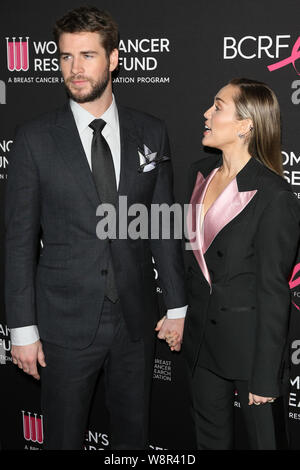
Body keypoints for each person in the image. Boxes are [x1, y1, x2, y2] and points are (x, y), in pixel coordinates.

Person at [5, 6, 187, 450]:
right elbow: (19, 241)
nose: (75, 69)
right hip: (63, 323)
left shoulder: (151, 131)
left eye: (87, 55)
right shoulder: (34, 139)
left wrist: (178, 306)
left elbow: (161, 221)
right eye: (66, 57)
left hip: (134, 321)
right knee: (63, 439)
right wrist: (22, 329)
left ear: (115, 58)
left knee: (133, 438)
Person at [162, 78, 300, 449]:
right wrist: (179, 315)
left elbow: (274, 292)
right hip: (202, 345)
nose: (206, 113)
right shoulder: (200, 175)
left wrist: (266, 376)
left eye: (218, 106)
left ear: (245, 124)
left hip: (251, 350)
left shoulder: (274, 195)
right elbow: (195, 263)